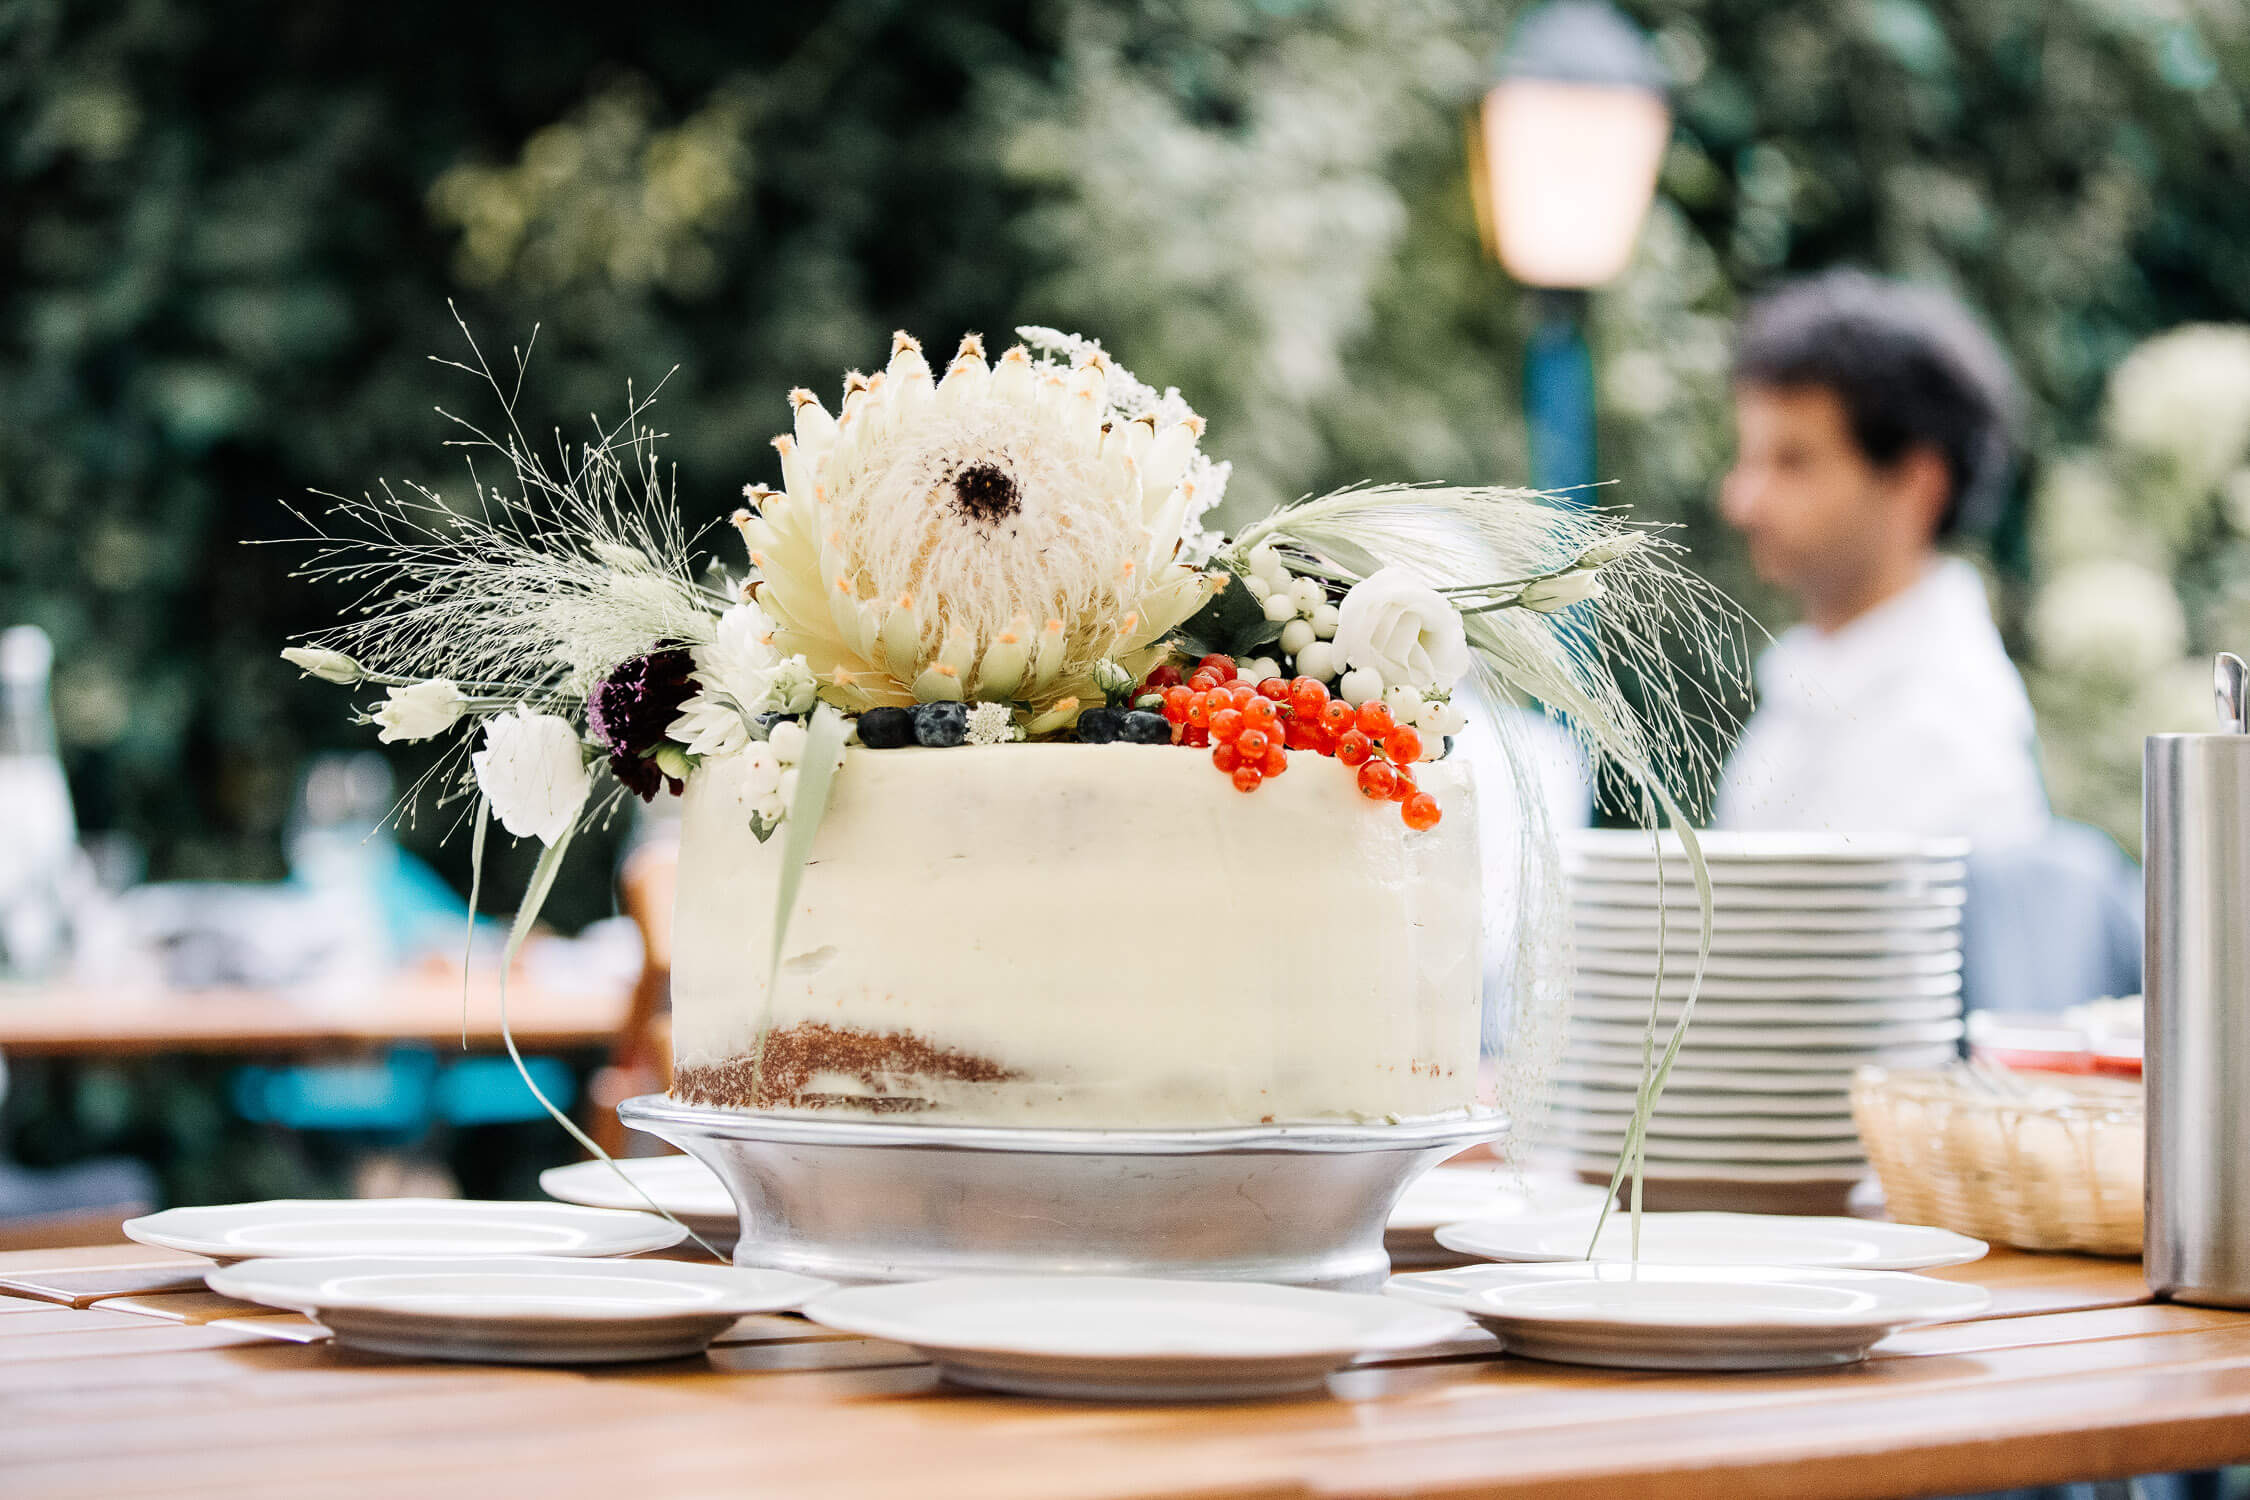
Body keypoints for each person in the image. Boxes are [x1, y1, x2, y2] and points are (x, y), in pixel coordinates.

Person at [1713, 269, 2049, 849]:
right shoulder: (1814, 683)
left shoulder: (1946, 740)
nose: (1742, 501)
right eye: (1749, 460)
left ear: (1917, 486)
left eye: (1792, 463)